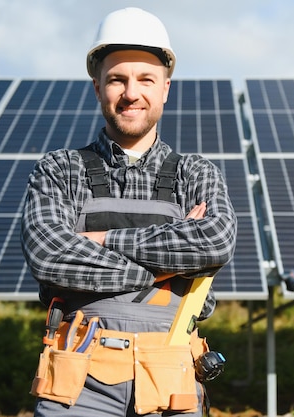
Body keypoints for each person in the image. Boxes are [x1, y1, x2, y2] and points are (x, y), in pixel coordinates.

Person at [21, 7, 237, 417]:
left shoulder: (196, 172)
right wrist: (166, 267)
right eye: (117, 79)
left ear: (166, 88)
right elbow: (49, 254)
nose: (131, 92)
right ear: (97, 87)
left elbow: (215, 241)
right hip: (77, 380)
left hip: (173, 376)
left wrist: (101, 242)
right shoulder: (59, 168)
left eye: (145, 80)